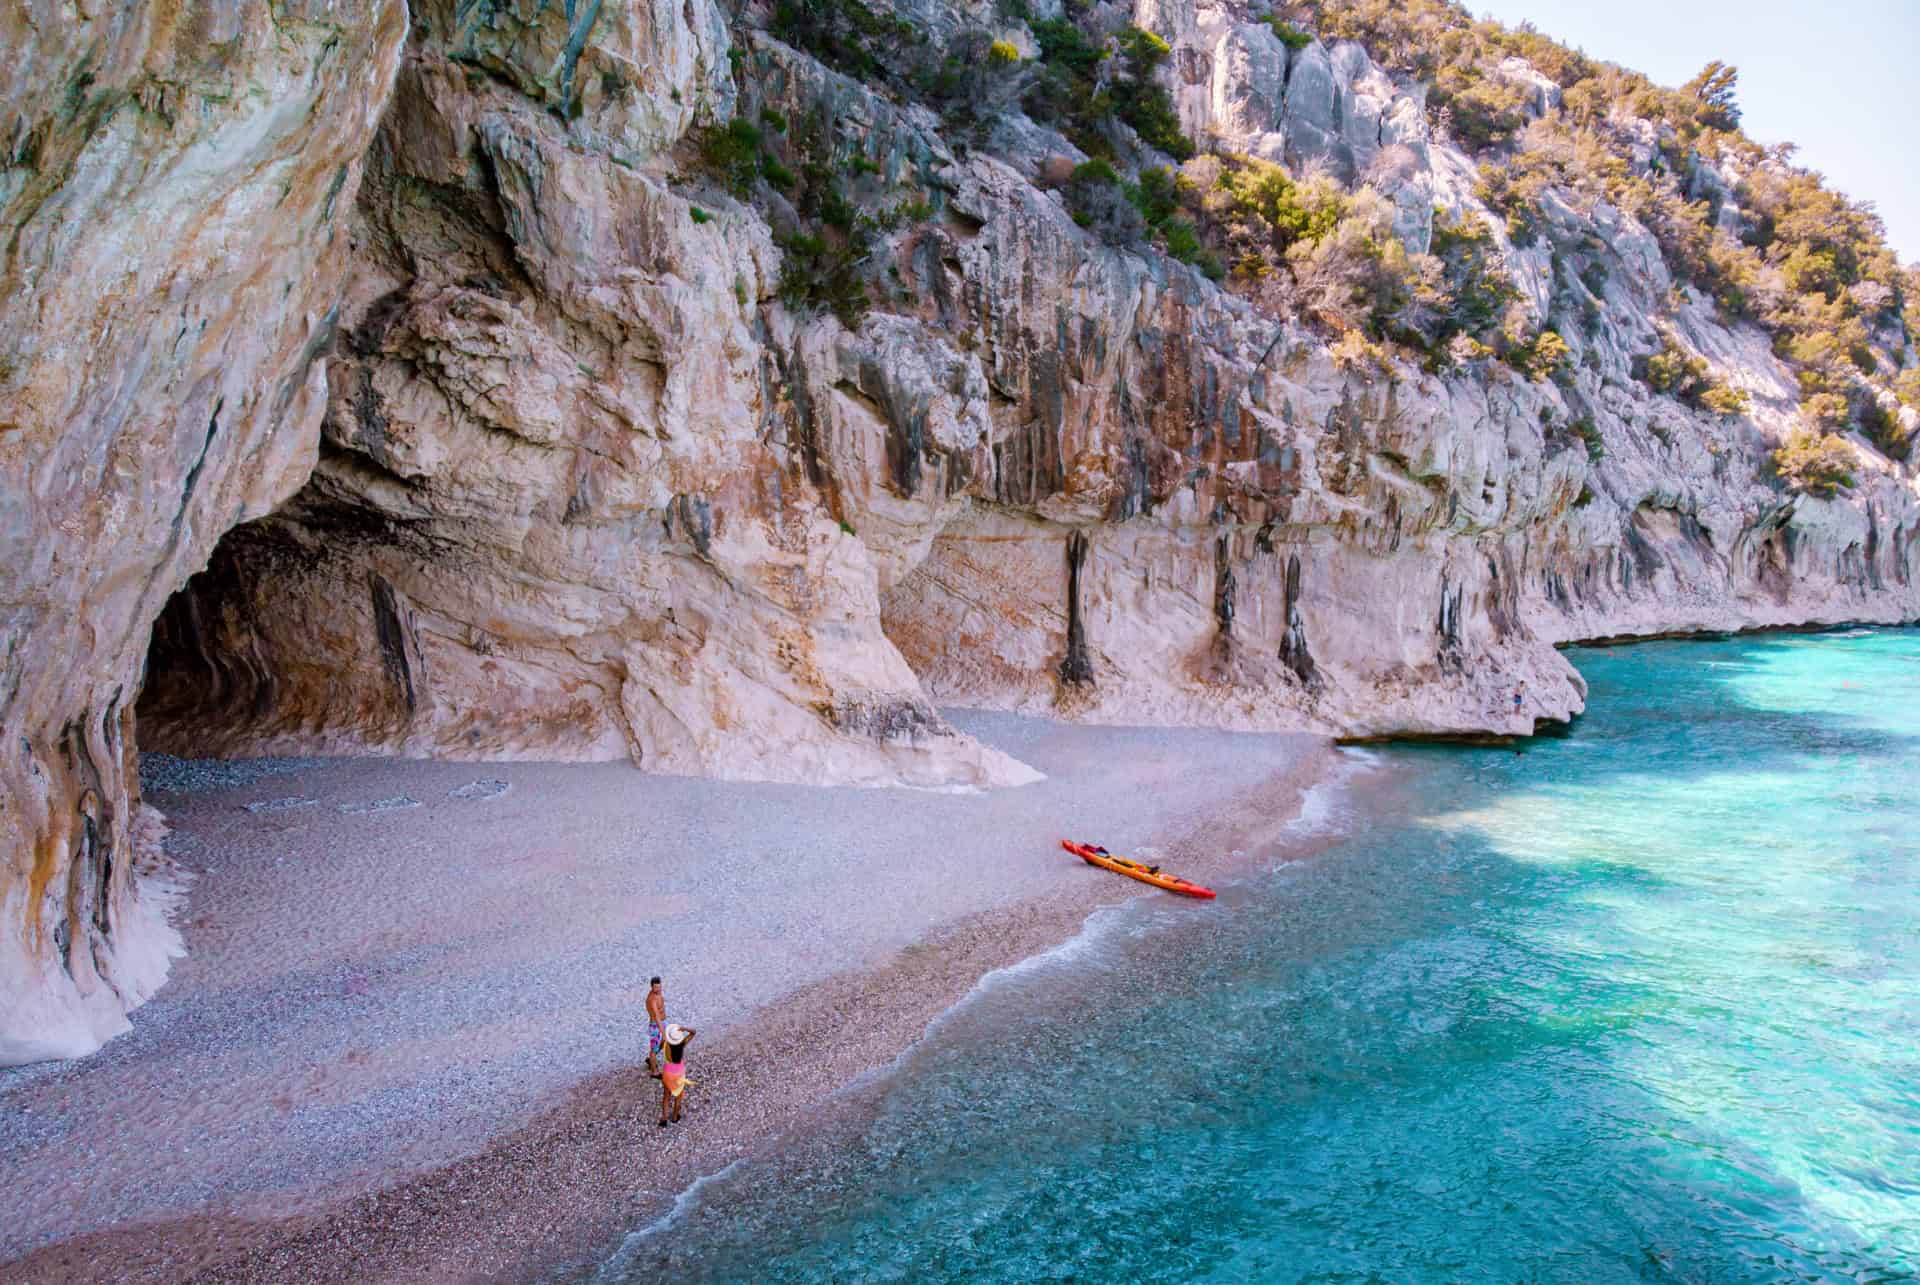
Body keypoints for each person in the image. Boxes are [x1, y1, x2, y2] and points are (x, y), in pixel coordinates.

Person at [659, 1023, 696, 1126]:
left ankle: (664, 1118)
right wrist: (684, 1028)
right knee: (678, 1096)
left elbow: (659, 1047)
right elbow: (694, 1032)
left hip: (667, 1072)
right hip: (679, 1073)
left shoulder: (666, 1044)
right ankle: (675, 1117)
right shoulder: (682, 1044)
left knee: (666, 1096)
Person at [645, 977, 666, 1078]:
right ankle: (654, 1072)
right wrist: (663, 1033)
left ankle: (651, 1059)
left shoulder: (659, 993)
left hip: (663, 1022)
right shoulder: (651, 999)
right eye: (655, 987)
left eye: (659, 987)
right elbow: (657, 1017)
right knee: (653, 1049)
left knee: (663, 1042)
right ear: (651, 987)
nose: (658, 989)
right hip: (656, 1026)